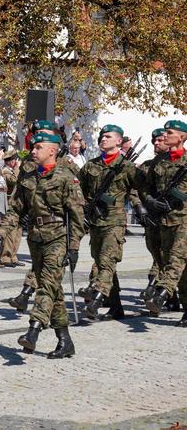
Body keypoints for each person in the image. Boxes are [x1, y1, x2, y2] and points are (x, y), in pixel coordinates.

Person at [0, 130, 85, 358]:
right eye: (32, 148)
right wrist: (1, 234)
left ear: (52, 150)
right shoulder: (28, 177)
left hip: (58, 238)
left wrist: (73, 247)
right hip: (35, 238)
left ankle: (33, 331)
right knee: (54, 290)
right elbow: (15, 209)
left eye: (38, 148)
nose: (33, 151)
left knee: (46, 285)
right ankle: (65, 341)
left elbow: (76, 216)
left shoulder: (66, 176)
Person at [76, 124, 145, 320]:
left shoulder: (127, 167)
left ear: (118, 141)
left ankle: (97, 300)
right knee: (102, 261)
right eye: (101, 136)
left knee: (107, 262)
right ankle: (116, 307)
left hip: (114, 221)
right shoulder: (91, 165)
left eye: (107, 136)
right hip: (95, 221)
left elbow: (141, 189)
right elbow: (78, 190)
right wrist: (86, 205)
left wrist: (142, 207)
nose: (102, 139)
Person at [141, 120, 187, 325]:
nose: (165, 136)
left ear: (182, 137)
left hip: (184, 219)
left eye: (169, 133)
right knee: (176, 265)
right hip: (162, 220)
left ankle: (161, 294)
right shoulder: (158, 161)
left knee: (177, 260)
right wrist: (149, 201)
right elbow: (146, 187)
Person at [138, 128, 169, 302]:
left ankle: (156, 289)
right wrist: (141, 207)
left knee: (171, 257)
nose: (156, 143)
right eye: (154, 141)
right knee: (157, 253)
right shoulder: (147, 166)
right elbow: (138, 189)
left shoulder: (181, 163)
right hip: (153, 218)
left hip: (173, 219)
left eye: (160, 140)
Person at [0, 147, 24, 267]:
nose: (15, 162)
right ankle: (5, 257)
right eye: (13, 160)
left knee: (18, 232)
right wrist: (18, 168)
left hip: (17, 205)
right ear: (8, 161)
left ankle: (13, 255)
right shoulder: (5, 171)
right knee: (10, 233)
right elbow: (15, 181)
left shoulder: (13, 170)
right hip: (10, 205)